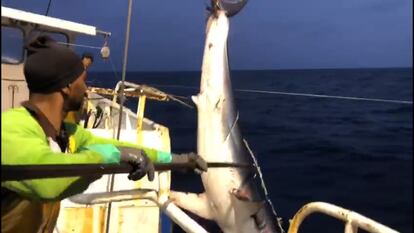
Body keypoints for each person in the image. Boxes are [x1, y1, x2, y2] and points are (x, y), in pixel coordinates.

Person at [1, 36, 207, 233]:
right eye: (83, 80)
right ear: (66, 87)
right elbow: (46, 181)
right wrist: (110, 157)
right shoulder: (9, 129)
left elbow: (117, 147)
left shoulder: (64, 133)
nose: (86, 88)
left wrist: (177, 160)